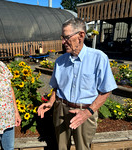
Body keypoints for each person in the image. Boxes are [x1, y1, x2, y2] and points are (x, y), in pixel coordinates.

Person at [37, 18, 117, 150]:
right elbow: (56, 87)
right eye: (62, 37)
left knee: (83, 148)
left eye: (66, 37)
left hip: (85, 110)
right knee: (61, 147)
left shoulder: (98, 58)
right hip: (61, 110)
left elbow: (106, 90)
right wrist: (51, 103)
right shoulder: (60, 61)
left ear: (81, 36)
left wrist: (87, 113)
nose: (63, 42)